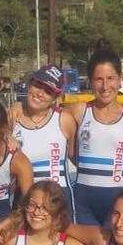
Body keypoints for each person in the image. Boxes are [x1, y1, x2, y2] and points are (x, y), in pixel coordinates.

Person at [66, 44, 123, 226]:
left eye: (111, 78)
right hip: (83, 201)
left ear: (119, 80)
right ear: (91, 82)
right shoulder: (78, 111)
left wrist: (120, 168)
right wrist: (18, 109)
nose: (105, 86)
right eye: (99, 79)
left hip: (118, 204)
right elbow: (45, 117)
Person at [11, 64, 77, 216]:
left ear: (55, 98)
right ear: (30, 84)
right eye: (38, 85)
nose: (40, 93)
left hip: (58, 195)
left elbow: (75, 155)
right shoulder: (12, 118)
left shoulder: (64, 120)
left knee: (61, 240)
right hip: (25, 195)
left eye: (48, 91)